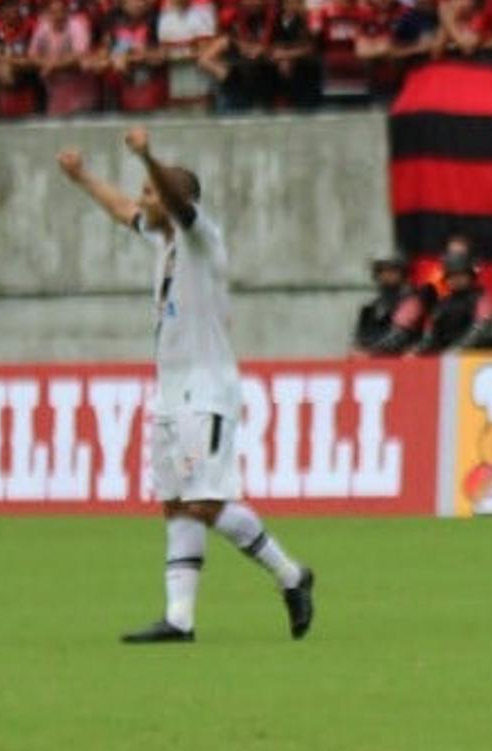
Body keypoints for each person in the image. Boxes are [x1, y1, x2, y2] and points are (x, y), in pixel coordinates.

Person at [56, 130, 314, 644]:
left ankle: (292, 576)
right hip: (172, 394)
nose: (144, 201)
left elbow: (171, 199)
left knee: (207, 503)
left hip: (207, 392)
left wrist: (148, 157)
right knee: (175, 503)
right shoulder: (161, 240)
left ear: (177, 202)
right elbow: (120, 208)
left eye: (151, 193)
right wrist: (82, 176)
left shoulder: (201, 237)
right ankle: (180, 618)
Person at [418, 248, 492, 352]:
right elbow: (431, 332)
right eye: (452, 276)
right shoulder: (442, 303)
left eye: (461, 275)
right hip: (445, 359)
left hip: (476, 359)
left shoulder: (481, 298)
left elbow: (482, 329)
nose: (456, 280)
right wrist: (417, 352)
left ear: (470, 277)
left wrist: (456, 350)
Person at [352, 252, 417, 354]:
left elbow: (399, 338)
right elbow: (358, 340)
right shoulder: (369, 310)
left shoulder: (412, 304)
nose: (386, 276)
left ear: (402, 274)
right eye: (381, 271)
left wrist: (370, 351)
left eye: (392, 271)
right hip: (373, 364)